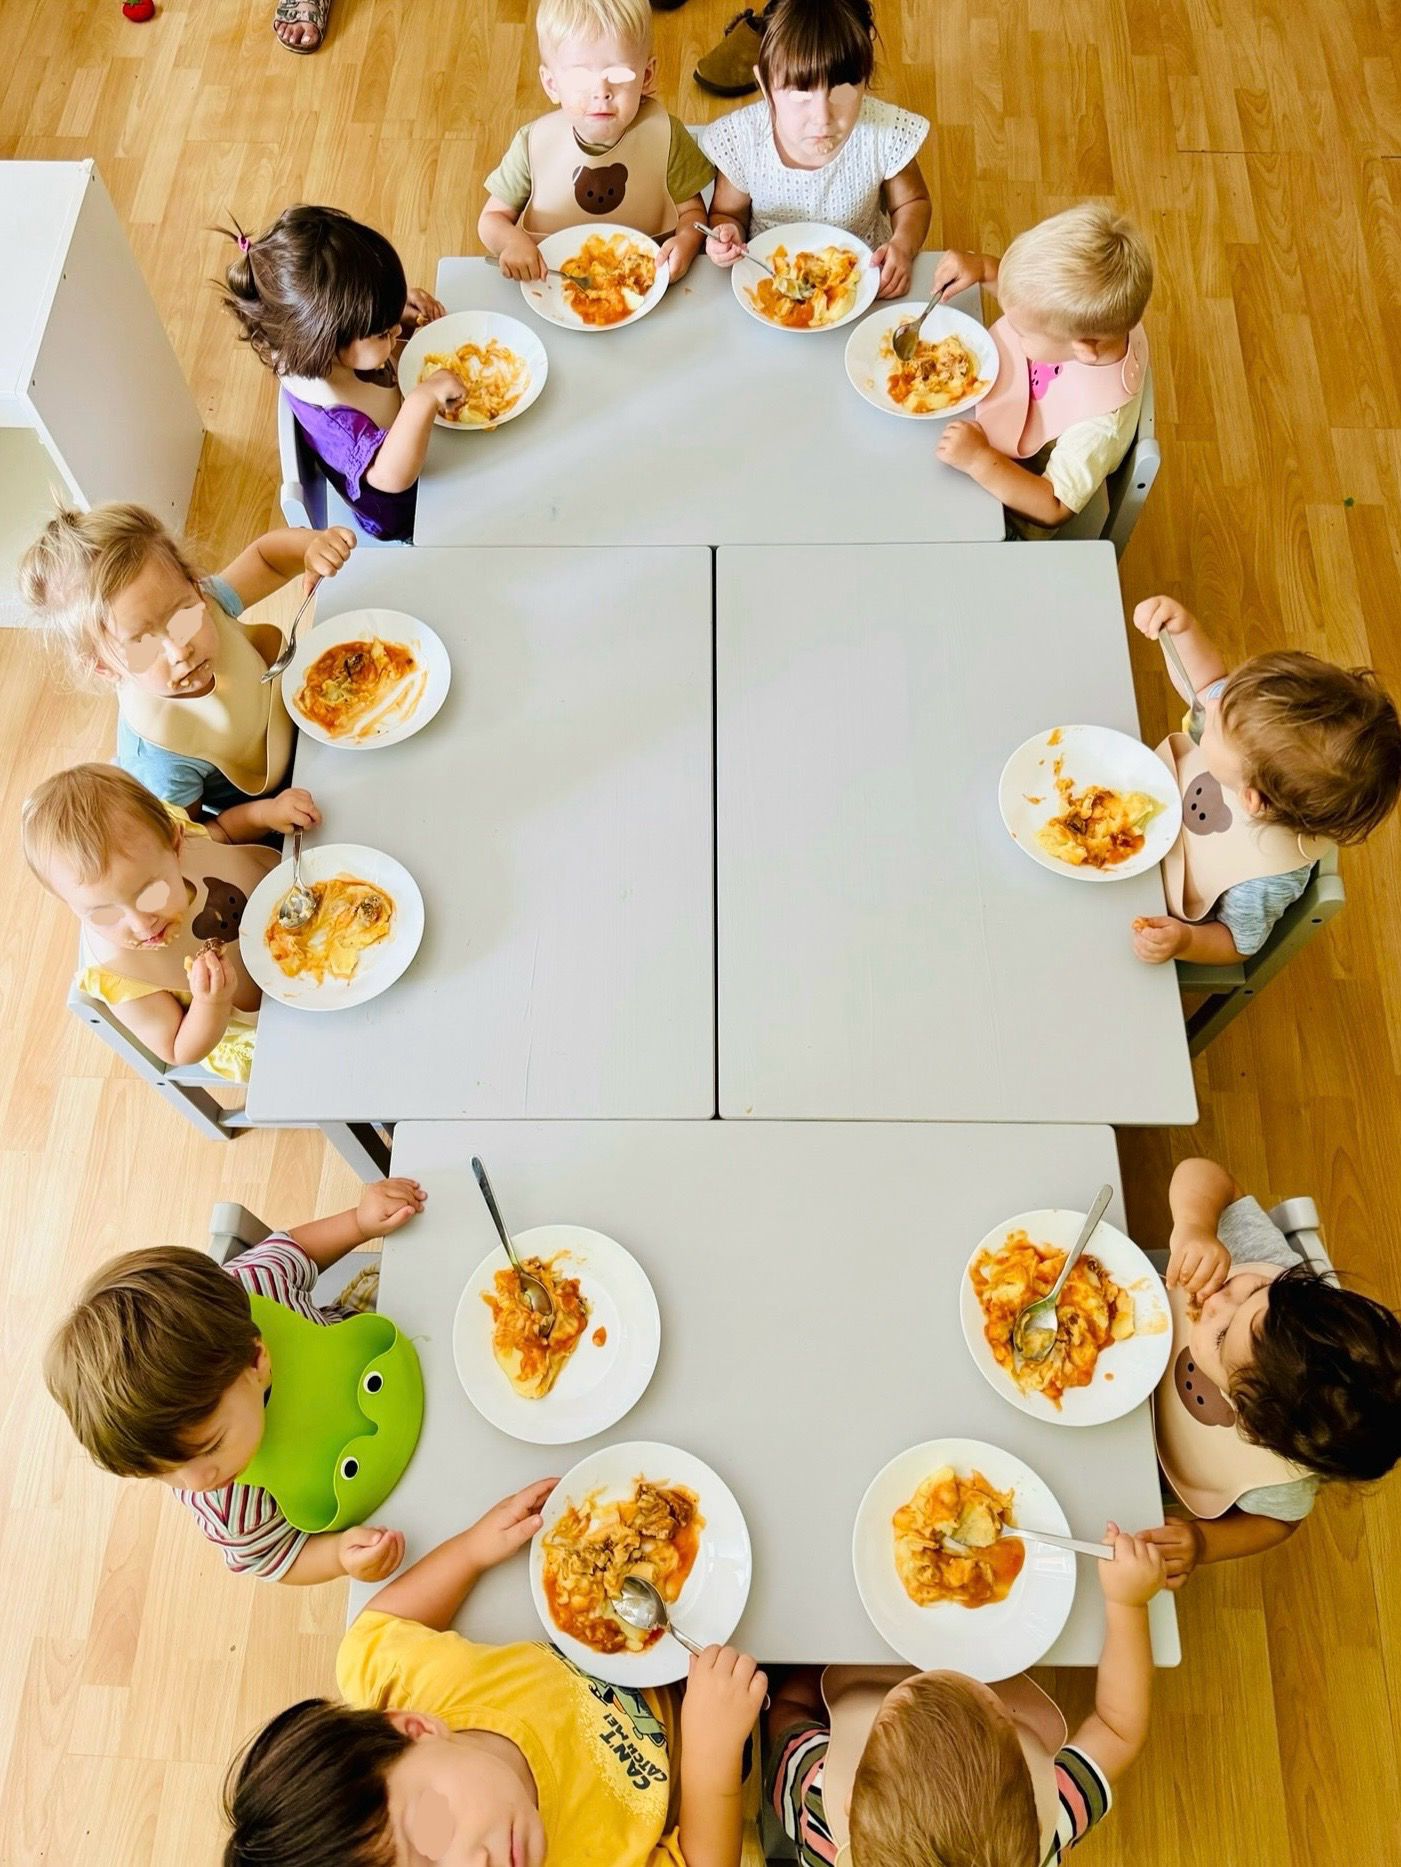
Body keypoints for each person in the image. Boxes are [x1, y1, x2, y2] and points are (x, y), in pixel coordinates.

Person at [221, 1484, 770, 1865]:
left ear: (415, 1727)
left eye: (433, 1831)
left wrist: (472, 1551)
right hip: (711, 1752)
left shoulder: (405, 1680)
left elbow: (380, 1626)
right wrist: (711, 1757)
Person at [44, 1178, 427, 1582]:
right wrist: (339, 1556)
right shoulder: (231, 1509)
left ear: (256, 1358)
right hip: (380, 1495)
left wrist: (359, 1222)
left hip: (376, 1335)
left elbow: (297, 1251)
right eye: (161, 1472)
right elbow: (278, 1558)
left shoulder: (255, 1286)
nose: (196, 1484)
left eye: (211, 1446)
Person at [766, 1526, 1164, 1864]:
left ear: (849, 1799)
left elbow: (788, 1709)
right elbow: (1118, 1728)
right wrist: (1127, 1603)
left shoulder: (814, 1795)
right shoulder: (1053, 1814)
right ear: (1036, 1804)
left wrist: (824, 1659)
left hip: (857, 1667)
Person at [1144, 1156, 1401, 1585]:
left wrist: (1203, 1542)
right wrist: (1195, 1227)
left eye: (1222, 1336)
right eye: (1255, 1292)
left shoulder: (1278, 1477)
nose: (1219, 1300)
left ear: (1249, 1423)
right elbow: (1209, 1176)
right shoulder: (1269, 1268)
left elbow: (1276, 1523)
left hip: (1143, 1456)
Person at [20, 502, 354, 818]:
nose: (179, 650)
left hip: (319, 728)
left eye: (183, 617)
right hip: (276, 808)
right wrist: (263, 816)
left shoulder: (208, 602)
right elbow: (197, 839)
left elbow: (266, 560)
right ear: (104, 667)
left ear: (196, 588)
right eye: (144, 644)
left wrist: (308, 547)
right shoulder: (159, 757)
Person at [1129, 594, 1401, 966]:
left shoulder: (1265, 880)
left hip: (1149, 900)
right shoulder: (1245, 721)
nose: (1211, 703)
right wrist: (1182, 629)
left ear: (1251, 798)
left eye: (1216, 721)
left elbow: (1237, 943)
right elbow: (1206, 684)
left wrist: (1184, 940)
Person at [22, 763, 314, 1081]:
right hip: (263, 1029)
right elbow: (177, 1049)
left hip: (303, 913)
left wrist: (266, 814)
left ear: (176, 846)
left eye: (151, 894)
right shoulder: (122, 976)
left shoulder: (164, 840)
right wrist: (211, 1003)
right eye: (104, 915)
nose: (141, 924)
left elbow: (224, 831)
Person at [221, 205, 460, 542]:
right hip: (414, 511)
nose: (395, 331)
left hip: (428, 451)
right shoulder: (336, 419)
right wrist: (424, 398)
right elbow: (391, 478)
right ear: (327, 343)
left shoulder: (320, 348)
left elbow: (362, 343)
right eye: (382, 331)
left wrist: (392, 310)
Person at [932, 203, 1153, 535]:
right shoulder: (1094, 327)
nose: (1013, 330)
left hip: (1009, 503)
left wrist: (978, 459)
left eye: (1022, 333)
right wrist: (984, 269)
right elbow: (1035, 309)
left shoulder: (1099, 427)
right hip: (987, 426)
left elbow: (1053, 507)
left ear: (1082, 349)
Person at [701, 0, 930, 298]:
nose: (822, 117)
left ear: (865, 80)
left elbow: (913, 202)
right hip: (770, 277)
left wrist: (902, 245)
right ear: (765, 85)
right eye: (800, 94)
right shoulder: (742, 141)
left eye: (843, 91)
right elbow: (727, 213)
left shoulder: (883, 134)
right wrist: (725, 235)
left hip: (862, 278)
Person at [479, 0, 714, 283]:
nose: (601, 92)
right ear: (552, 84)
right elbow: (492, 219)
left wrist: (686, 241)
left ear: (646, 76)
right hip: (553, 285)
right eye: (580, 77)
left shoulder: (667, 137)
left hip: (647, 282)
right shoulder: (533, 145)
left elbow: (692, 213)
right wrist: (512, 243)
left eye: (618, 74)